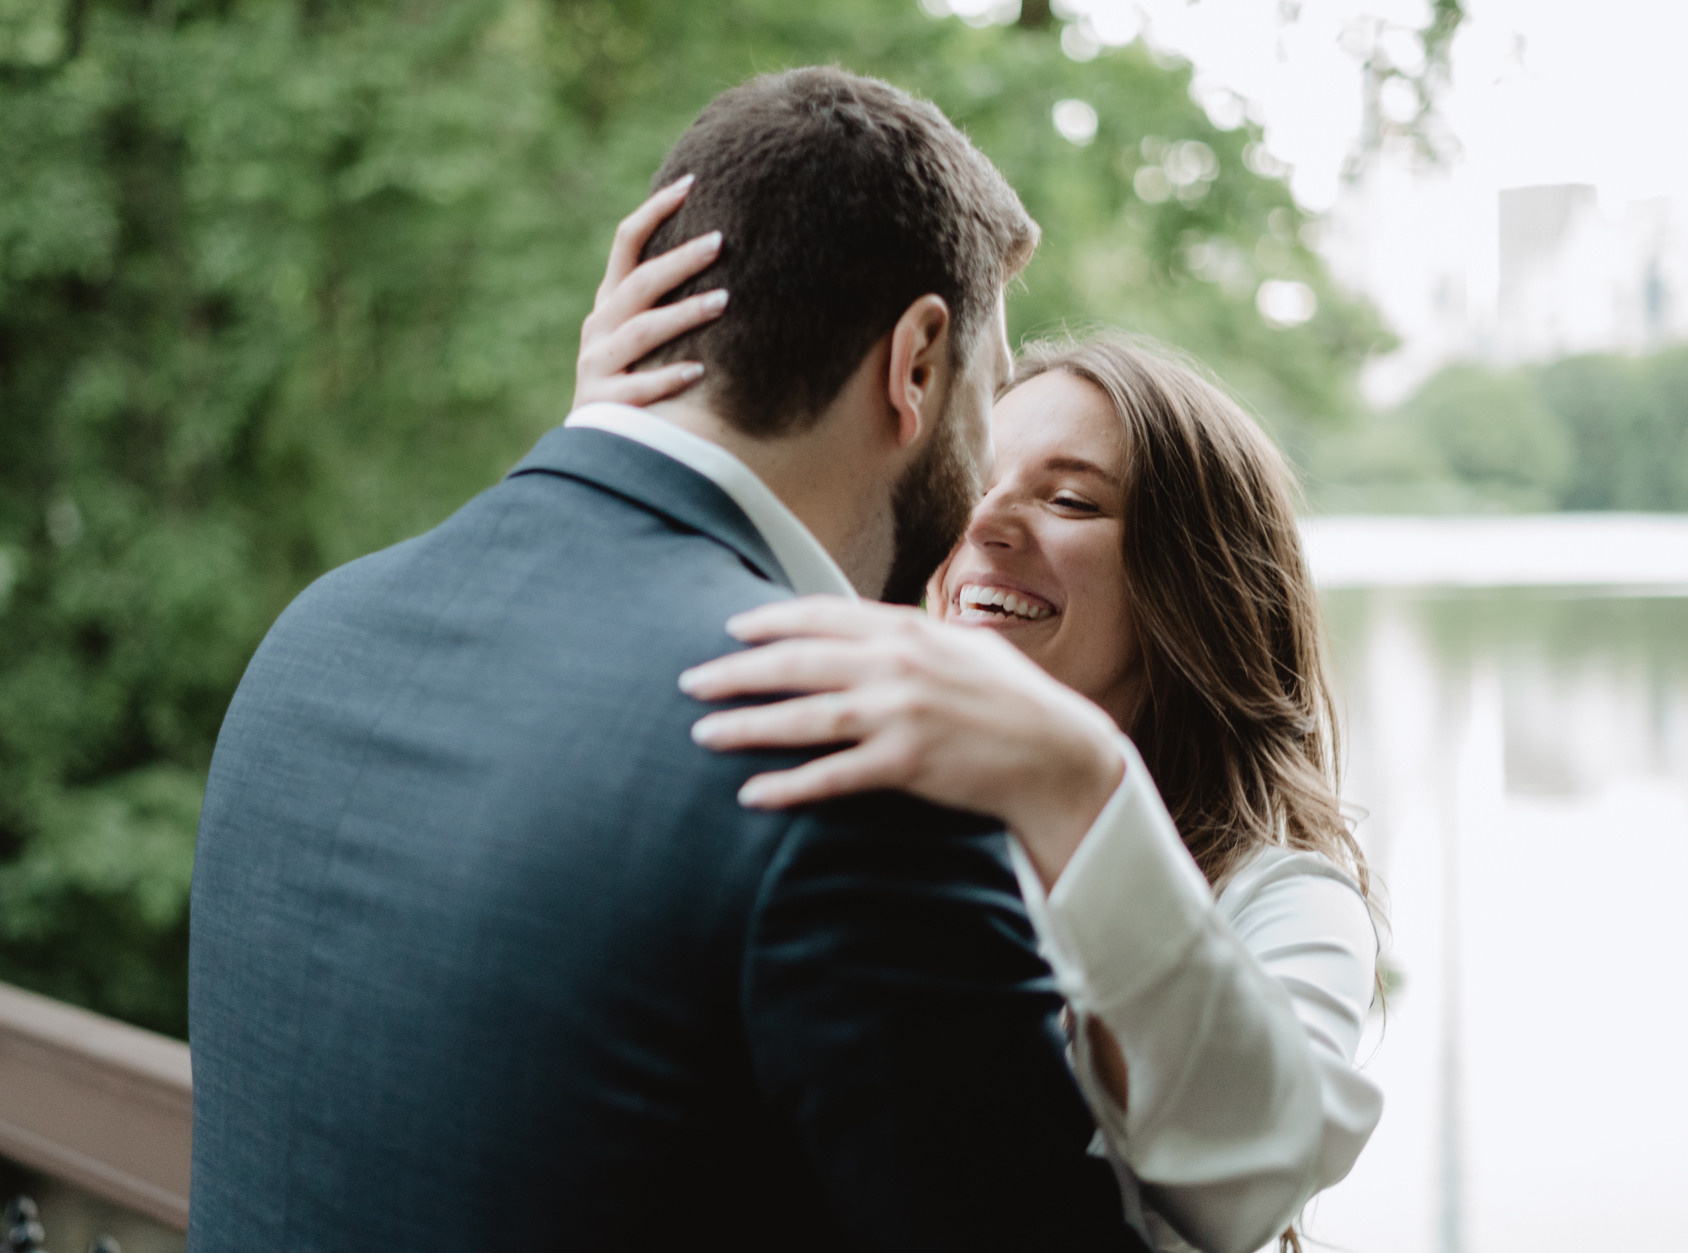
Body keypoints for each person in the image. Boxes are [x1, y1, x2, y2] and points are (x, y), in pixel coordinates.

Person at [188, 66, 1150, 1252]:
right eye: (986, 395)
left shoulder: (317, 636)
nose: (985, 458)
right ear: (914, 363)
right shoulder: (827, 748)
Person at [577, 241, 1383, 1253]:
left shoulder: (1287, 901)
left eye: (1071, 499)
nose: (984, 522)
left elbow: (1246, 1186)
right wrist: (620, 443)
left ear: (1192, 587)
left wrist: (1081, 787)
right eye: (977, 477)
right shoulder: (848, 779)